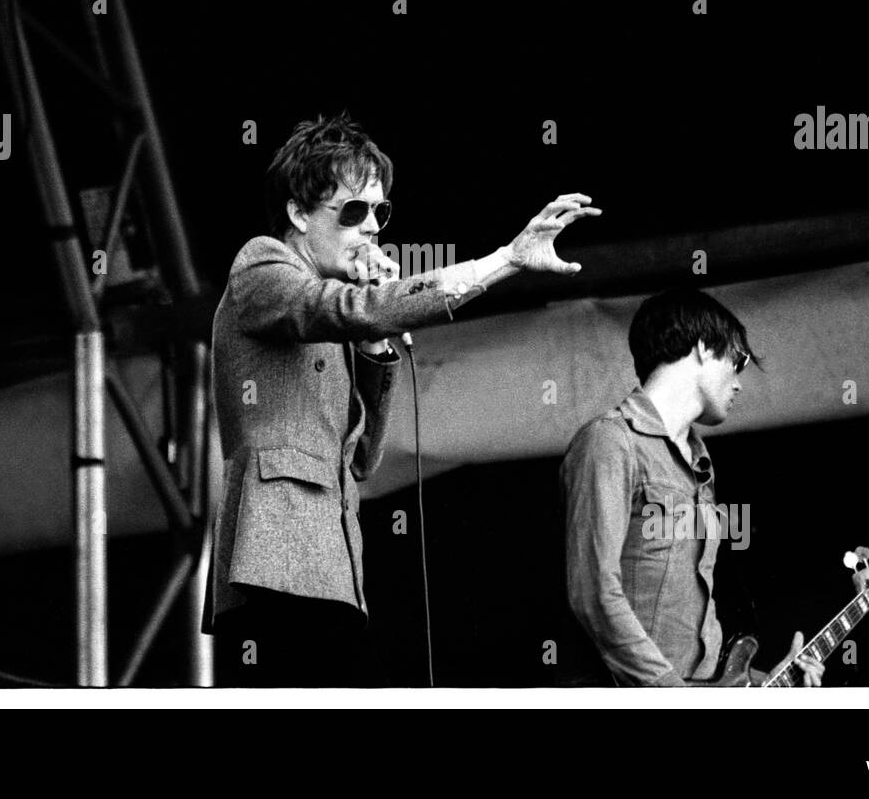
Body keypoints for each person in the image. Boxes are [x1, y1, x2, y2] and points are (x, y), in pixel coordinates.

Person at [204, 111, 600, 686]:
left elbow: (364, 458)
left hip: (335, 567)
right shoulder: (263, 263)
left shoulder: (340, 317)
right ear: (298, 213)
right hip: (272, 558)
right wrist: (505, 260)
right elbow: (342, 309)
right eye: (353, 211)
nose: (371, 227)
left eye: (380, 212)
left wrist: (376, 342)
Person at [561, 288, 824, 687]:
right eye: (738, 362)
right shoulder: (610, 442)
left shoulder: (699, 460)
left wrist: (765, 681)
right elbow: (594, 594)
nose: (739, 384)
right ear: (702, 347)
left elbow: (693, 631)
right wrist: (673, 694)